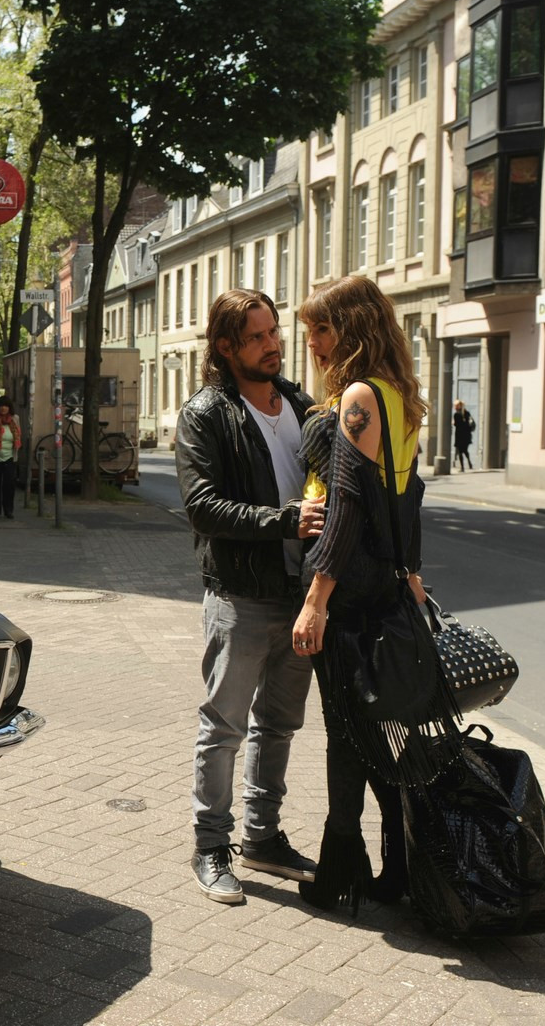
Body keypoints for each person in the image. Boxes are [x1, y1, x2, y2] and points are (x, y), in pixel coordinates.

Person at [289, 276, 463, 914]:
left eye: (322, 329)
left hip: (349, 589)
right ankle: (397, 866)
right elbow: (408, 498)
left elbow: (347, 509)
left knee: (347, 731)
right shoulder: (399, 396)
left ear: (353, 329)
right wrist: (410, 572)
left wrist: (316, 599)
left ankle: (341, 869)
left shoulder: (360, 397)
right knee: (377, 729)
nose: (312, 343)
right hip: (382, 583)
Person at [176, 288, 326, 904]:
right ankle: (210, 846)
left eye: (274, 333)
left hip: (300, 595)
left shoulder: (301, 403)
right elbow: (202, 507)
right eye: (258, 337)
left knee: (279, 726)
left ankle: (262, 838)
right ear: (225, 346)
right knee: (223, 728)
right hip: (240, 596)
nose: (273, 345)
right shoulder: (206, 413)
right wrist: (285, 521)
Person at [452, 400, 475, 472]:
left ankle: (462, 467)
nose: (454, 407)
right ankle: (469, 463)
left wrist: (453, 423)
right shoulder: (467, 413)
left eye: (455, 405)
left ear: (458, 406)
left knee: (460, 452)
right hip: (467, 435)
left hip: (459, 435)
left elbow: (456, 424)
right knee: (465, 450)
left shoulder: (456, 415)